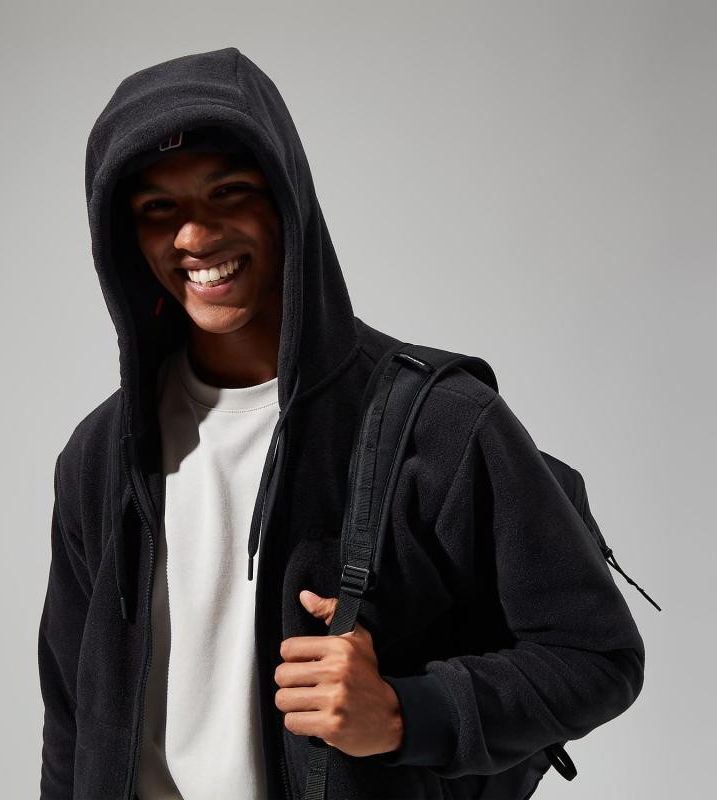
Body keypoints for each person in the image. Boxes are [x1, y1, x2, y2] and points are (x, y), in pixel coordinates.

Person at [38, 47, 645, 800]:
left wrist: (403, 713)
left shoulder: (440, 424)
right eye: (157, 208)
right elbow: (70, 718)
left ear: (286, 201)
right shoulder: (100, 457)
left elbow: (597, 656)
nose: (193, 236)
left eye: (229, 192)